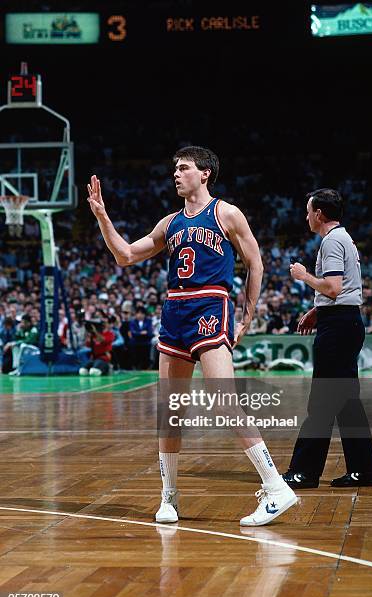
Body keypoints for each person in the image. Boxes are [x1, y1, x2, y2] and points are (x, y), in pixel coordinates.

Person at [87, 145, 297, 526]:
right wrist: (102, 216)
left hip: (209, 305)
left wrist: (247, 316)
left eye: (183, 168)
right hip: (174, 311)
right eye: (175, 169)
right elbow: (125, 255)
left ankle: (276, 486)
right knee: (171, 412)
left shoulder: (226, 212)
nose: (176, 174)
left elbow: (256, 262)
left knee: (223, 401)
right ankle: (169, 499)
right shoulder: (169, 223)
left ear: (205, 173)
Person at [282, 189, 372, 488]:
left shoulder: (332, 240)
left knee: (322, 401)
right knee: (347, 403)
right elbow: (342, 290)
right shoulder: (343, 238)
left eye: (309, 211)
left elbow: (334, 288)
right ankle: (364, 471)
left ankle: (304, 471)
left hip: (338, 327)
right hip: (343, 321)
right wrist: (317, 309)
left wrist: (304, 276)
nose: (306, 216)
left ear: (320, 214)